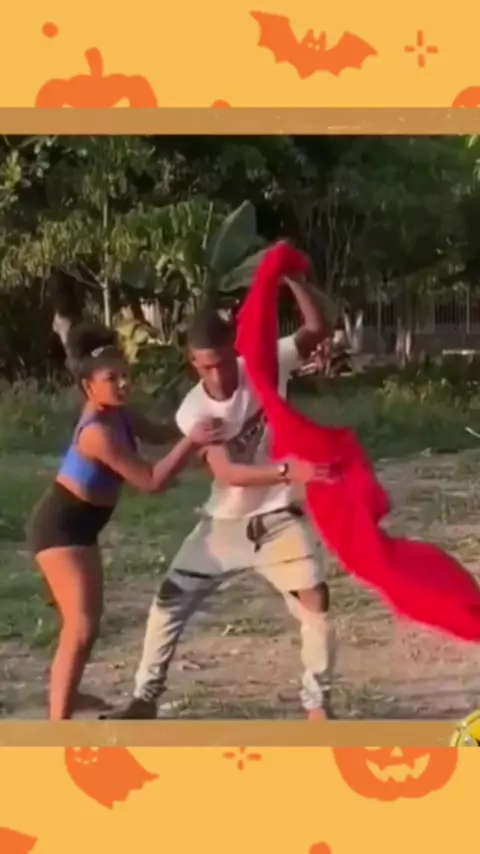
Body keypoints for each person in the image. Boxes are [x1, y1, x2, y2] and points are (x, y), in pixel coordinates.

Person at [104, 273, 336, 721]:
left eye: (224, 362)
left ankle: (317, 704)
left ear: (236, 351)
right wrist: (288, 470)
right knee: (168, 602)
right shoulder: (195, 410)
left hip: (278, 517)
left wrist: (287, 276)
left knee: (316, 601)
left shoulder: (265, 364)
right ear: (193, 362)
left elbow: (315, 329)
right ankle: (144, 699)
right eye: (205, 366)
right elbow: (228, 473)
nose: (217, 374)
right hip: (224, 524)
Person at [26, 322, 222, 721]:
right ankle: (57, 726)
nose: (122, 384)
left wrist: (207, 405)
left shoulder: (121, 415)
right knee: (80, 627)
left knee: (86, 625)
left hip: (82, 527)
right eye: (111, 378)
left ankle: (68, 695)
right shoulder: (97, 432)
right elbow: (150, 481)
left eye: (125, 375)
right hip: (60, 527)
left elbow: (166, 433)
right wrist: (194, 443)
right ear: (88, 387)